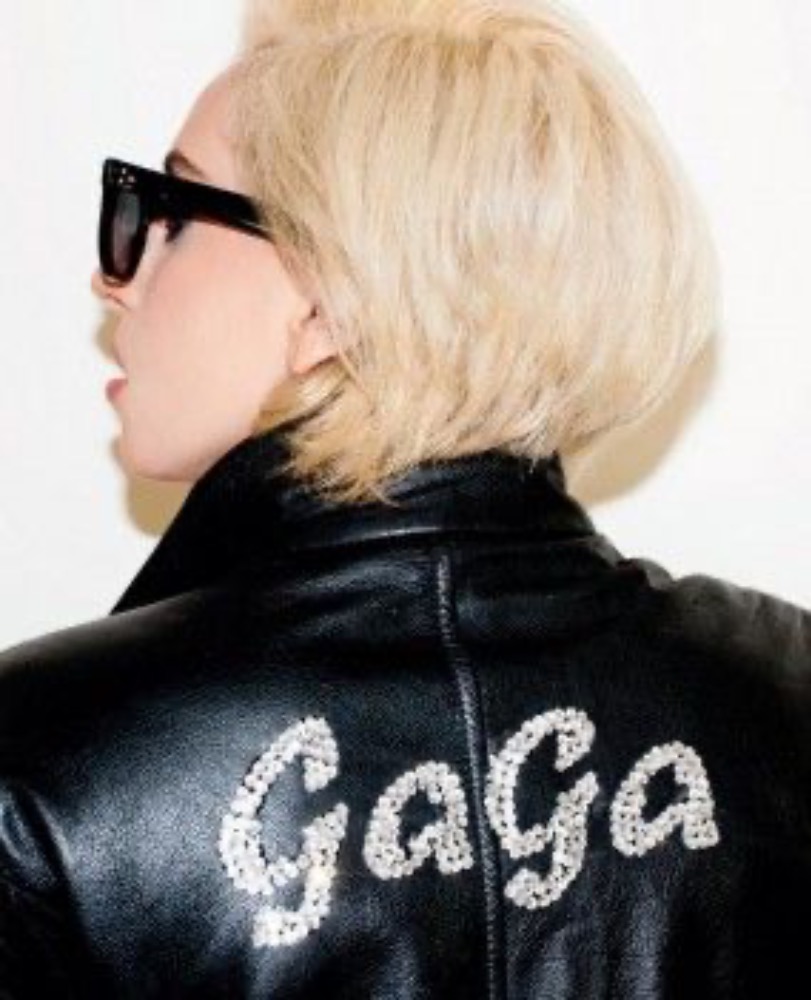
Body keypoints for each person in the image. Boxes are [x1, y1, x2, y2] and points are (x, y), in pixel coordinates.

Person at [1, 0, 809, 996]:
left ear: (328, 300)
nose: (114, 278)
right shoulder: (785, 693)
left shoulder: (39, 769)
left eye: (170, 212)